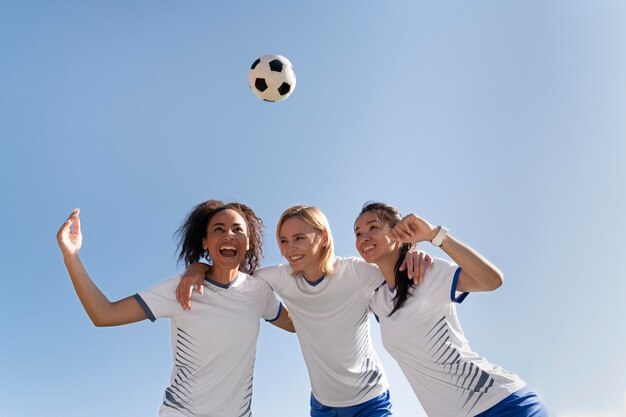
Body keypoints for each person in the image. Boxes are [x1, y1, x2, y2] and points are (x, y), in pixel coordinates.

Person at [177, 205, 430, 417]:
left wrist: (414, 252)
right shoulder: (279, 277)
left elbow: (395, 270)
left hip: (369, 401)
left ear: (323, 237)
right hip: (322, 406)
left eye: (299, 238)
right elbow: (230, 275)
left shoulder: (356, 273)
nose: (289, 249)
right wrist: (198, 267)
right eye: (284, 241)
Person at [57, 201, 294, 417]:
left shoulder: (259, 292)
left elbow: (296, 324)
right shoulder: (180, 289)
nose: (229, 235)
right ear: (205, 242)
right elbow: (104, 314)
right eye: (218, 229)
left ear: (249, 241)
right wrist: (72, 256)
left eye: (237, 229)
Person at [353, 202, 549, 417]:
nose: (364, 237)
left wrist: (435, 236)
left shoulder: (425, 273)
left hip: (501, 405)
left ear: (398, 232)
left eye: (373, 228)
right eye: (358, 232)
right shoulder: (377, 297)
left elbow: (491, 280)